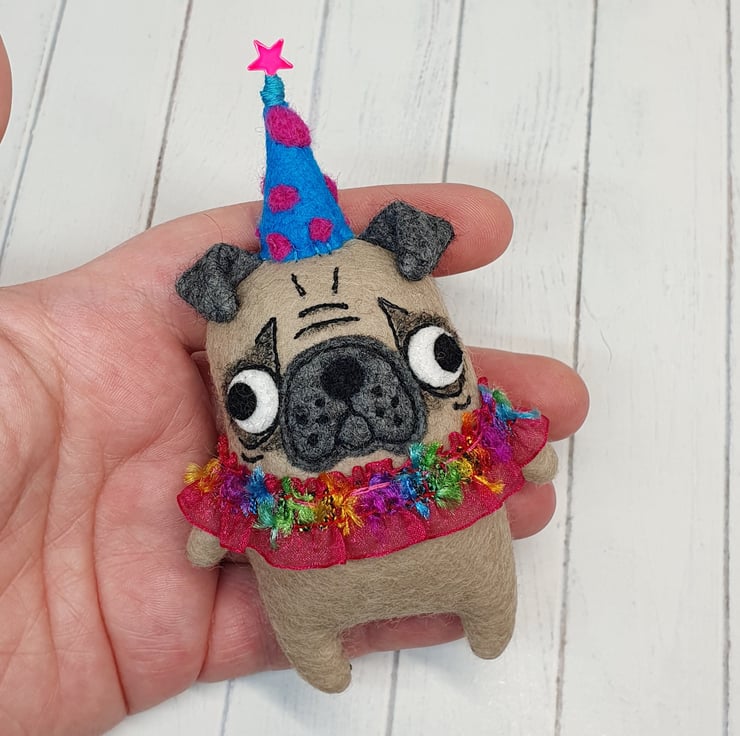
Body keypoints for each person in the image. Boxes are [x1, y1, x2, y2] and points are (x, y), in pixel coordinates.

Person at [0, 38, 588, 734]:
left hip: (433, 519)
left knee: (476, 582)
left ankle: (477, 611)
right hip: (310, 557)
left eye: (428, 355)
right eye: (255, 397)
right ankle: (383, 629)